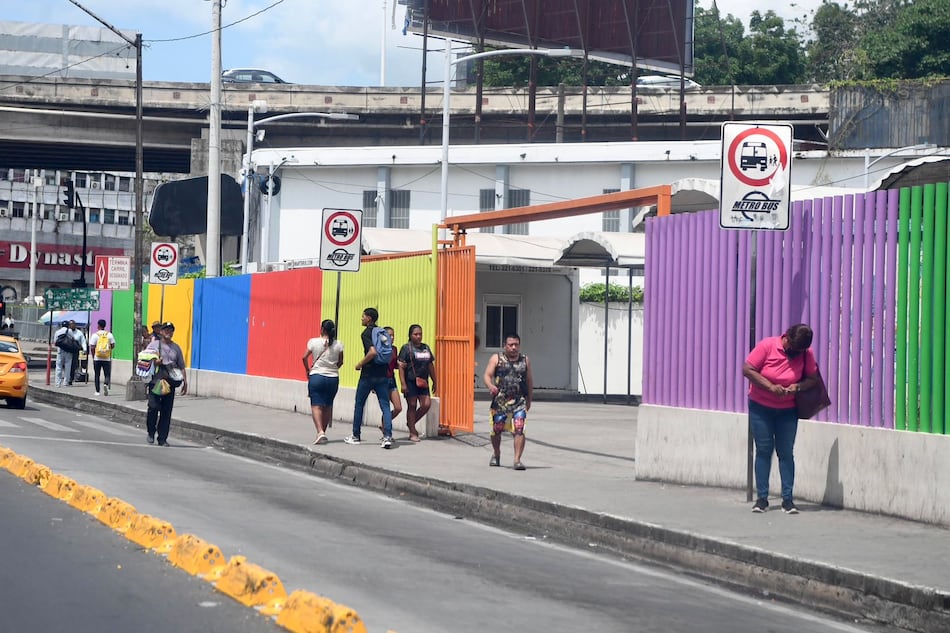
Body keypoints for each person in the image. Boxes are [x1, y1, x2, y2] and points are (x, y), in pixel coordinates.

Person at [743, 323, 819, 515]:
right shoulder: (767, 346)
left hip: (788, 410)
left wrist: (797, 387)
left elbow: (813, 378)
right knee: (764, 450)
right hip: (761, 408)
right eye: (793, 349)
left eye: (800, 351)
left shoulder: (805, 353)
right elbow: (748, 369)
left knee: (786, 452)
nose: (795, 354)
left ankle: (788, 499)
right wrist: (770, 387)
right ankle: (762, 499)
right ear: (787, 338)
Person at [483, 332, 533, 470]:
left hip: (519, 401)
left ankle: (517, 460)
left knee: (519, 428)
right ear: (505, 346)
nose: (513, 347)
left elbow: (529, 380)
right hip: (500, 402)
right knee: (497, 429)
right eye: (510, 345)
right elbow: (487, 375)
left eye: (516, 344)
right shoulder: (497, 359)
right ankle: (496, 453)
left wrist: (529, 399)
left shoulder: (525, 360)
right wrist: (490, 385)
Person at [345, 307, 394, 448]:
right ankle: (387, 436)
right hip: (383, 374)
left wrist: (359, 364)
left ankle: (356, 435)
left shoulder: (367, 333)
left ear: (369, 318)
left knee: (359, 404)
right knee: (385, 405)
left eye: (363, 316)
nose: (361, 318)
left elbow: (372, 352)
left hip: (368, 375)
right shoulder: (382, 333)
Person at [144, 322, 188, 446]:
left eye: (171, 330)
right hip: (157, 380)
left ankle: (162, 438)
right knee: (153, 406)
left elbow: (181, 366)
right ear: (161, 332)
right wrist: (155, 362)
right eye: (166, 330)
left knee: (166, 410)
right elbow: (144, 359)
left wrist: (185, 381)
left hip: (170, 381)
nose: (169, 332)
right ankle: (151, 432)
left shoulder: (176, 348)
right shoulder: (154, 345)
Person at [302, 319, 344, 445]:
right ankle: (322, 432)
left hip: (317, 376)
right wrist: (332, 368)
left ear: (322, 329)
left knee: (316, 405)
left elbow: (304, 357)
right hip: (333, 378)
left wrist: (308, 370)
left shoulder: (313, 342)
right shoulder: (338, 344)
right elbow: (341, 362)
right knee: (327, 406)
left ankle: (320, 432)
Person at [398, 324, 436, 442]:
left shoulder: (425, 347)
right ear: (410, 335)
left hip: (423, 381)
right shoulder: (406, 348)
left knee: (426, 405)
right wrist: (403, 383)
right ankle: (412, 432)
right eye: (416, 334)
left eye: (420, 334)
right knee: (412, 405)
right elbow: (401, 367)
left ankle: (411, 423)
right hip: (410, 381)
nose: (418, 336)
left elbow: (430, 365)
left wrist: (435, 381)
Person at [380, 326, 403, 438]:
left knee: (398, 407)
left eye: (393, 335)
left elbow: (393, 364)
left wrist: (400, 365)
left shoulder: (394, 349)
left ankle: (384, 424)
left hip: (391, 380)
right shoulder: (378, 348)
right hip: (381, 380)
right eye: (389, 335)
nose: (392, 337)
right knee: (386, 407)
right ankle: (387, 432)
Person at [89, 319, 116, 396]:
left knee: (97, 374)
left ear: (98, 325)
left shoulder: (95, 335)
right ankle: (106, 384)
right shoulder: (109, 335)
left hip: (97, 358)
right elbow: (113, 345)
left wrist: (94, 355)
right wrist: (107, 350)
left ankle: (97, 391)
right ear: (105, 325)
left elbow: (92, 347)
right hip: (106, 358)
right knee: (107, 374)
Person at [53, 320, 73, 387]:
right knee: (67, 367)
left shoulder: (57, 332)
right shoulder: (69, 331)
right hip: (68, 351)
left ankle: (57, 383)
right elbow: (72, 339)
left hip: (60, 351)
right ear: (68, 325)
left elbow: (55, 342)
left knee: (58, 367)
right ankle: (65, 382)